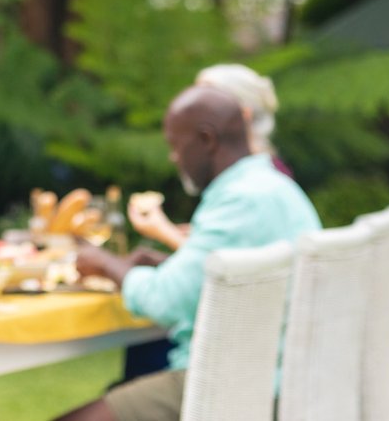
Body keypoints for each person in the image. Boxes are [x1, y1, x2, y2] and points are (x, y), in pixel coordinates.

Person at [53, 86, 321, 421]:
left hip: (233, 383)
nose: (173, 158)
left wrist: (105, 264)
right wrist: (171, 265)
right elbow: (237, 278)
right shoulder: (274, 187)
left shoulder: (239, 200)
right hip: (276, 374)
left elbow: (164, 301)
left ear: (207, 139)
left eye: (175, 145)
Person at [129, 62, 288, 252]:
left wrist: (163, 231)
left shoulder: (250, 183)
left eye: (207, 100)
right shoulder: (257, 173)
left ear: (242, 115)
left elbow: (219, 263)